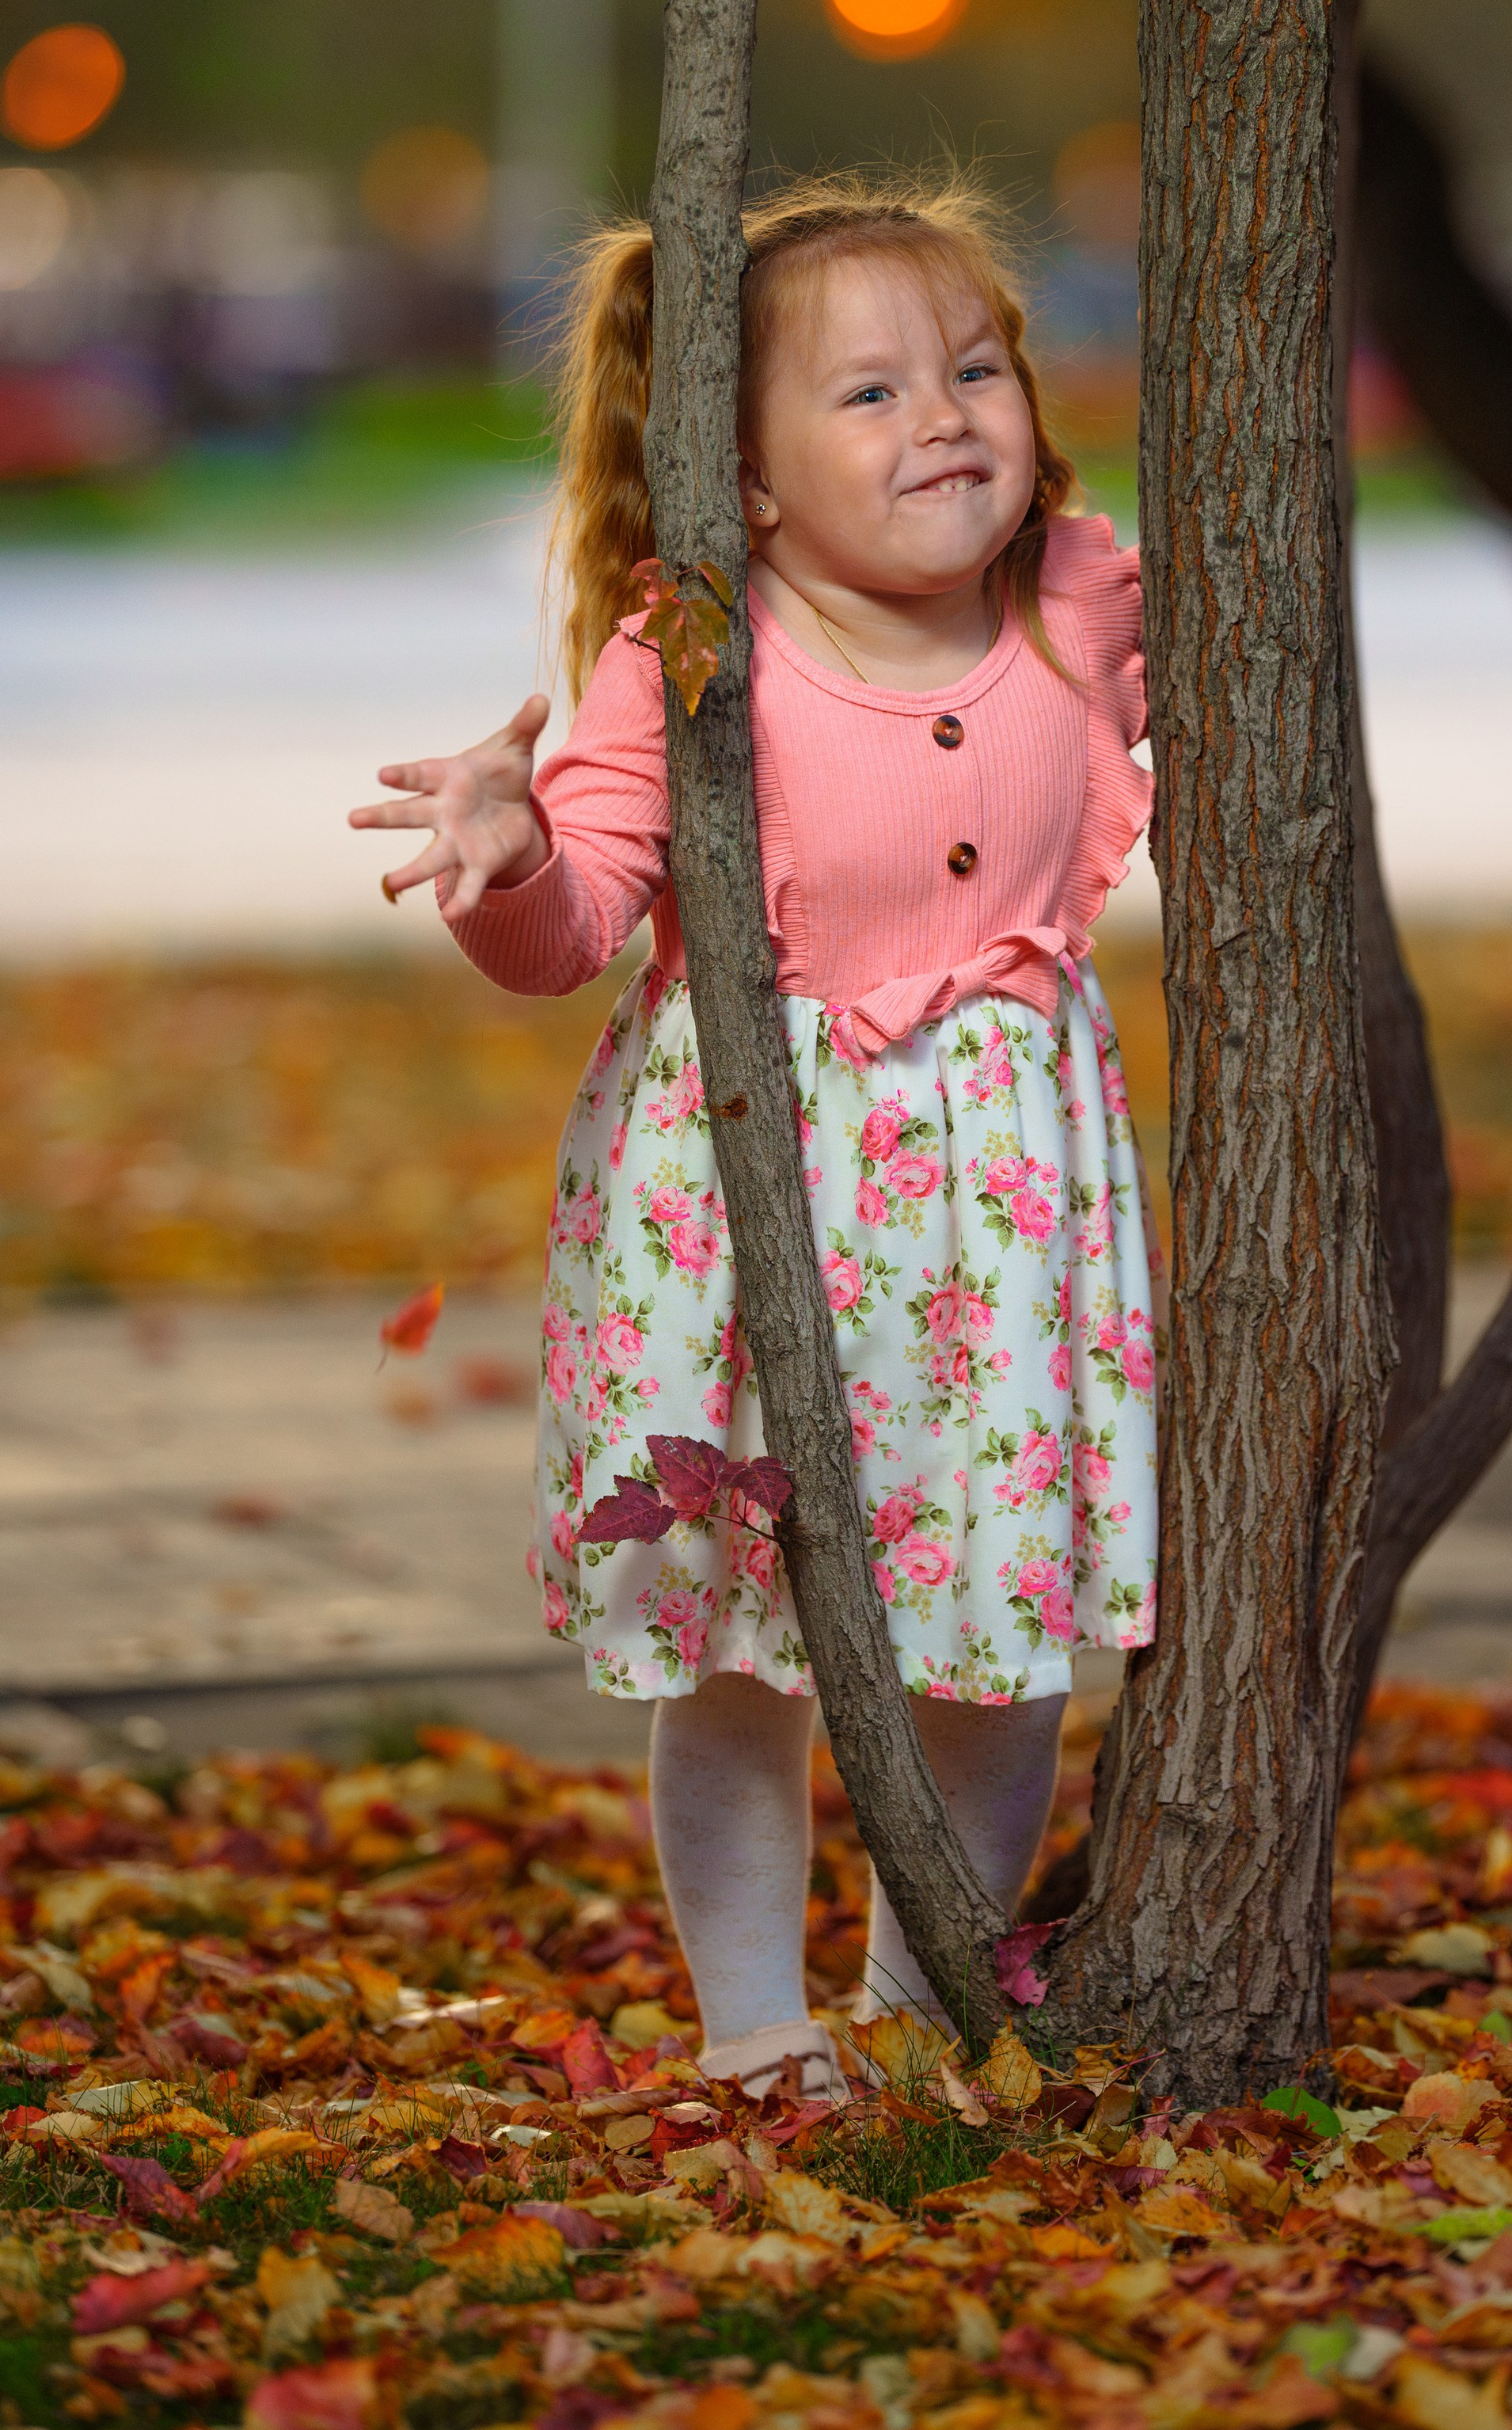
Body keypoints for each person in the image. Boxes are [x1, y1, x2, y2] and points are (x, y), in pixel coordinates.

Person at [349, 175, 1161, 2101]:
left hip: (1007, 1231)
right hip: (743, 1225)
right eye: (867, 394)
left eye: (974, 367)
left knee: (994, 1644)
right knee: (736, 1656)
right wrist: (508, 847)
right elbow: (567, 934)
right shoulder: (697, 645)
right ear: (747, 476)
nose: (945, 415)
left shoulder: (1080, 602)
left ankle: (913, 2001)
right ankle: (751, 2034)